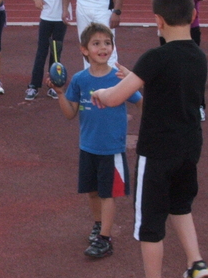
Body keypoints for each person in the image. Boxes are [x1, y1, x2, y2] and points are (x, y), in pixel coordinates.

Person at [91, 0, 208, 278]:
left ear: (158, 21)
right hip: (189, 148)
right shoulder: (199, 57)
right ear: (194, 14)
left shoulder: (155, 57)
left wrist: (100, 95)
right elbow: (167, 86)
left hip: (158, 151)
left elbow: (115, 97)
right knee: (181, 206)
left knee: (150, 224)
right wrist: (135, 76)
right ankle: (196, 262)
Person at [49, 22, 142, 259]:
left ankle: (105, 239)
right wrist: (60, 93)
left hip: (111, 147)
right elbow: (70, 113)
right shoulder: (80, 80)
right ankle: (99, 224)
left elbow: (142, 104)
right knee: (92, 191)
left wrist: (134, 79)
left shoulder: (120, 78)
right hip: (87, 146)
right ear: (84, 50)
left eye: (107, 43)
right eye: (96, 43)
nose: (103, 48)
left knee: (107, 193)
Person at [160, 0, 207, 120]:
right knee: (169, 69)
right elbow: (162, 2)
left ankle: (198, 105)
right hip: (168, 29)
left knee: (192, 68)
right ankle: (171, 105)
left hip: (190, 29)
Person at [26, 0, 70, 101]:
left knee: (56, 53)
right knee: (41, 51)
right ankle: (33, 85)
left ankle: (53, 85)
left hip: (60, 19)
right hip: (46, 18)